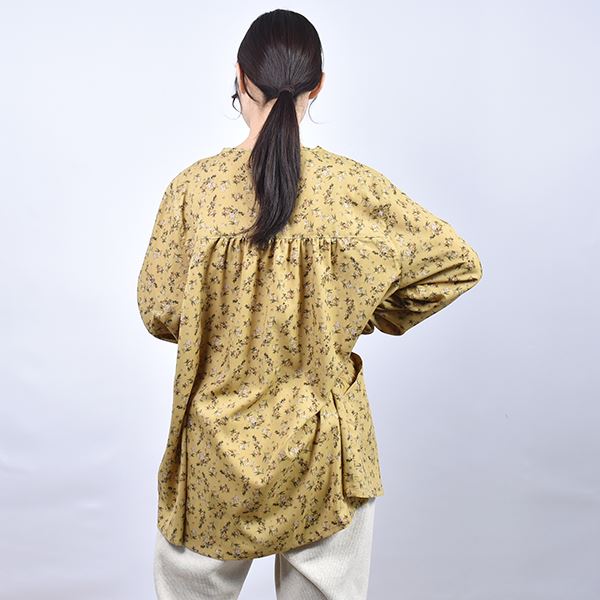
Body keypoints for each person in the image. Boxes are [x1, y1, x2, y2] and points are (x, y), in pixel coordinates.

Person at [137, 8, 483, 600]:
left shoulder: (193, 191)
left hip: (213, 457)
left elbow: (159, 311)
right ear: (317, 86)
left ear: (241, 77)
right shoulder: (353, 189)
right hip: (324, 450)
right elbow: (455, 264)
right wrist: (357, 311)